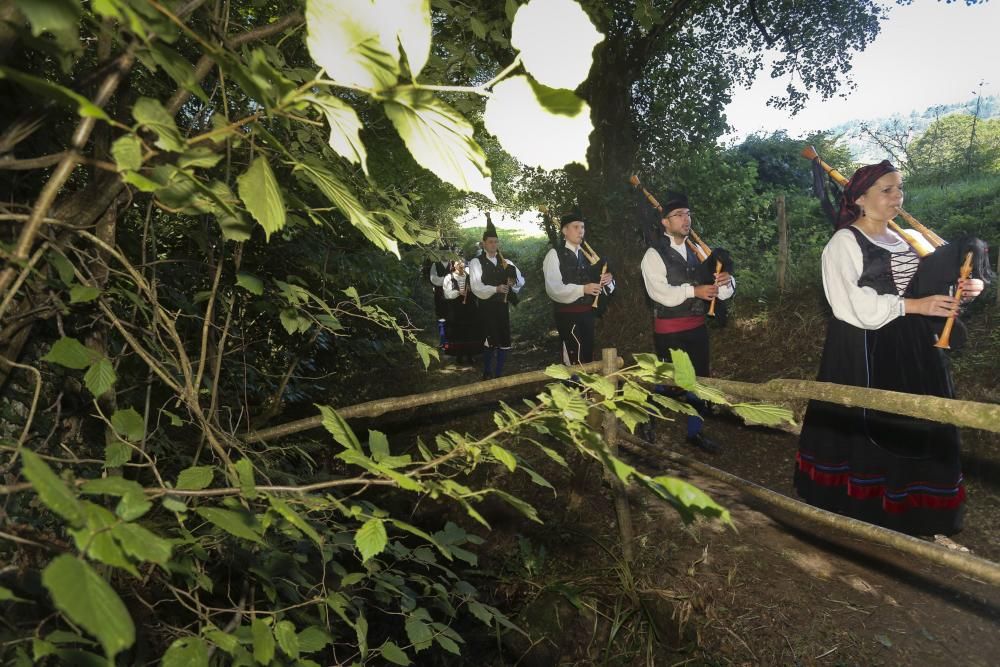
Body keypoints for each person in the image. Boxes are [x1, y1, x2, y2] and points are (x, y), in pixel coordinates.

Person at [793, 160, 988, 539]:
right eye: (886, 190)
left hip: (915, 349)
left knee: (922, 421)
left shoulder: (906, 241)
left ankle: (915, 511)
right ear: (861, 199)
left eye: (900, 188)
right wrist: (913, 306)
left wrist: (962, 291)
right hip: (863, 346)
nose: (896, 197)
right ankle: (866, 508)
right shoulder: (844, 242)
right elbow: (847, 303)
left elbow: (927, 293)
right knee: (874, 422)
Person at [640, 193, 734, 453]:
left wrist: (726, 282)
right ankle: (646, 418)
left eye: (688, 214)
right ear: (665, 223)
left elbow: (722, 292)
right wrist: (694, 291)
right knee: (668, 382)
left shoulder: (702, 252)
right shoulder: (653, 254)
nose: (685, 219)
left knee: (699, 381)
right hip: (669, 330)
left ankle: (695, 432)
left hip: (697, 328)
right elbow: (658, 293)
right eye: (678, 215)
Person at [542, 212, 615, 365]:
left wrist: (608, 281)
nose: (580, 231)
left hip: (588, 315)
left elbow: (600, 285)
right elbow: (553, 289)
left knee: (587, 355)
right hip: (567, 317)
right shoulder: (554, 254)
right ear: (564, 231)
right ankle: (573, 387)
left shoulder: (587, 257)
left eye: (582, 227)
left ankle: (585, 388)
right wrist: (582, 289)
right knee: (574, 358)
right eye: (576, 227)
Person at [469, 216, 524, 379]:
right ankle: (487, 371)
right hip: (486, 307)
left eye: (496, 242)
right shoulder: (476, 262)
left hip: (502, 307)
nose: (494, 244)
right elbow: (476, 287)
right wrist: (496, 288)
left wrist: (513, 282)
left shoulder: (506, 262)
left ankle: (499, 373)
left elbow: (520, 281)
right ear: (484, 243)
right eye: (490, 242)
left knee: (503, 337)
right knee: (489, 338)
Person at [441, 258, 483, 364]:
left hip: (470, 309)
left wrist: (471, 290)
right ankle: (458, 356)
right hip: (455, 310)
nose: (460, 265)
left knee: (470, 332)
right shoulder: (449, 277)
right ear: (454, 265)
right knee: (457, 333)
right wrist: (459, 292)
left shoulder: (470, 277)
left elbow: (478, 290)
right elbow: (447, 294)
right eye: (458, 263)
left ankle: (470, 355)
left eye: (462, 263)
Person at [428, 257, 452, 349]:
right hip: (439, 296)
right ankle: (443, 342)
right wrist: (448, 279)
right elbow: (434, 280)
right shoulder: (435, 265)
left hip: (452, 297)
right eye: (444, 252)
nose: (446, 255)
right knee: (441, 318)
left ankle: (451, 341)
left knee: (451, 318)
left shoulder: (454, 264)